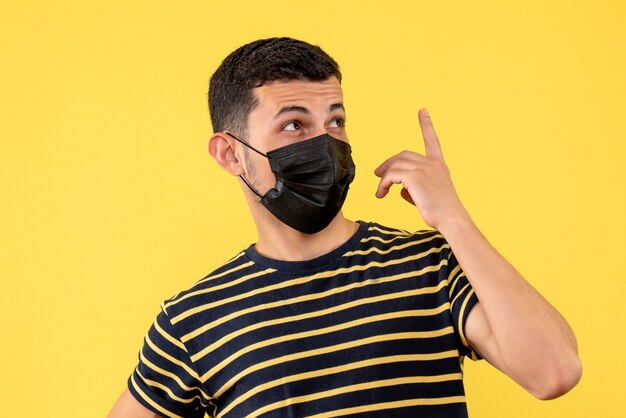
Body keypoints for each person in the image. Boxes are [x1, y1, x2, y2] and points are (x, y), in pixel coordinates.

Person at [108, 37, 582, 418]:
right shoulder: (194, 321)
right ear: (230, 153)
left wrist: (452, 217)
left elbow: (554, 372)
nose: (325, 143)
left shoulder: (430, 265)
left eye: (335, 121)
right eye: (294, 125)